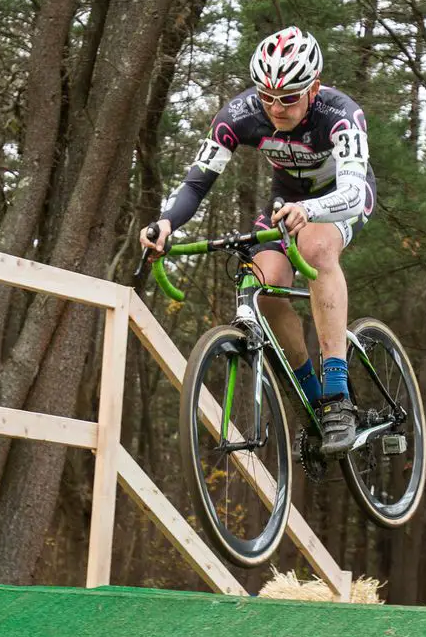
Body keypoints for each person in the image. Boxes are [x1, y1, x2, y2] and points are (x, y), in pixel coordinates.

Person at [140, 26, 376, 454]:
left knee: (317, 248)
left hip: (340, 199)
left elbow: (355, 191)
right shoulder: (240, 115)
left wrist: (311, 211)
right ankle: (314, 401)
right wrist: (166, 224)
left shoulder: (340, 114)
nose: (275, 107)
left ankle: (338, 393)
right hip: (287, 203)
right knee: (264, 289)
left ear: (314, 87)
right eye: (266, 96)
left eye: (287, 98)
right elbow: (196, 184)